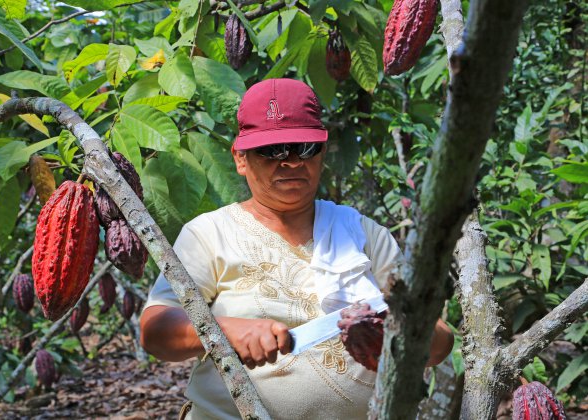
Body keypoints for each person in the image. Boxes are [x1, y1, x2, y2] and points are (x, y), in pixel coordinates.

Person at [140, 78, 453, 419]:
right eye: (272, 150)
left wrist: (396, 334)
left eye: (305, 147)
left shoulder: (362, 232)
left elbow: (439, 338)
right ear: (240, 158)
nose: (290, 161)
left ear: (323, 152)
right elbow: (155, 330)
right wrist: (227, 330)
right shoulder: (209, 234)